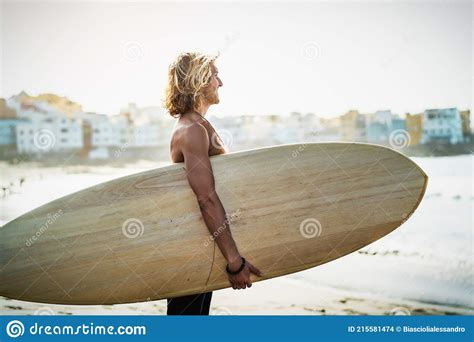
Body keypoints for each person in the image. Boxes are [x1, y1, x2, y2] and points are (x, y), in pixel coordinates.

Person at [163, 52, 263, 315]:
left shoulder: (197, 125)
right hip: (192, 250)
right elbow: (205, 197)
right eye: (216, 75)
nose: (221, 82)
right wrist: (234, 262)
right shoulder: (192, 129)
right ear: (198, 80)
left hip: (201, 244)